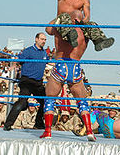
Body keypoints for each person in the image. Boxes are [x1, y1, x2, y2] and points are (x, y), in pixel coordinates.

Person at [40, 10, 96, 141]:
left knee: (50, 99)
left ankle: (48, 131)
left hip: (61, 64)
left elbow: (47, 28)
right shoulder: (85, 32)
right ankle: (89, 131)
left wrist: (61, 16)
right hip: (75, 67)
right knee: (82, 101)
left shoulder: (61, 29)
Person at [44, 0, 114, 51]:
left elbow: (87, 16)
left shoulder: (85, 0)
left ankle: (99, 41)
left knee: (91, 24)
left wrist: (82, 22)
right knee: (64, 16)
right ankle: (69, 35)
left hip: (75, 22)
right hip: (62, 21)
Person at [4, 32, 48, 131]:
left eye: (45, 39)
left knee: (45, 101)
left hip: (38, 83)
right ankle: (8, 124)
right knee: (22, 102)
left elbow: (48, 62)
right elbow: (18, 58)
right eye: (42, 39)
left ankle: (38, 123)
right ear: (36, 39)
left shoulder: (44, 53)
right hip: (27, 81)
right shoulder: (28, 51)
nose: (43, 41)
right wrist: (14, 65)